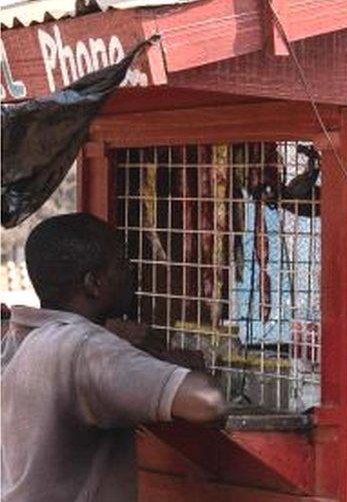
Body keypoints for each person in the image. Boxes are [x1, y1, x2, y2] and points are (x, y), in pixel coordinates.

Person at [1, 213, 226, 501]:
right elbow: (209, 402)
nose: (132, 272)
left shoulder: (19, 336)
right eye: (121, 264)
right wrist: (155, 358)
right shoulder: (85, 348)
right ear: (94, 283)